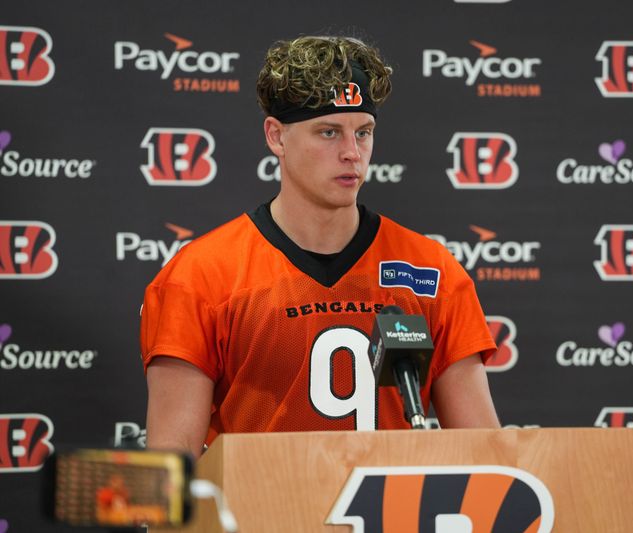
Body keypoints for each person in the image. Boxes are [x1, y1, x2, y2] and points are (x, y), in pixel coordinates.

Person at [141, 35, 500, 458]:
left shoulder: (432, 271)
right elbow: (173, 469)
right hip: (261, 518)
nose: (352, 153)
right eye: (328, 132)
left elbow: (485, 454)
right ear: (276, 137)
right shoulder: (200, 276)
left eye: (363, 132)